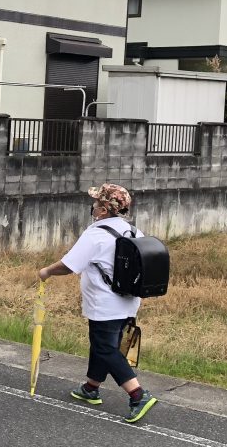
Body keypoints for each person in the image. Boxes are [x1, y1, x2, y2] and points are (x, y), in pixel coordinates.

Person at [37, 182, 157, 424]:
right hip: (128, 302)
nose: (92, 206)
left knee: (105, 347)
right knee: (102, 343)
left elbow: (69, 265)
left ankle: (137, 395)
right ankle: (91, 387)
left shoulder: (96, 233)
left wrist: (47, 271)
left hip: (104, 304)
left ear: (103, 210)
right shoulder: (134, 232)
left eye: (95, 203)